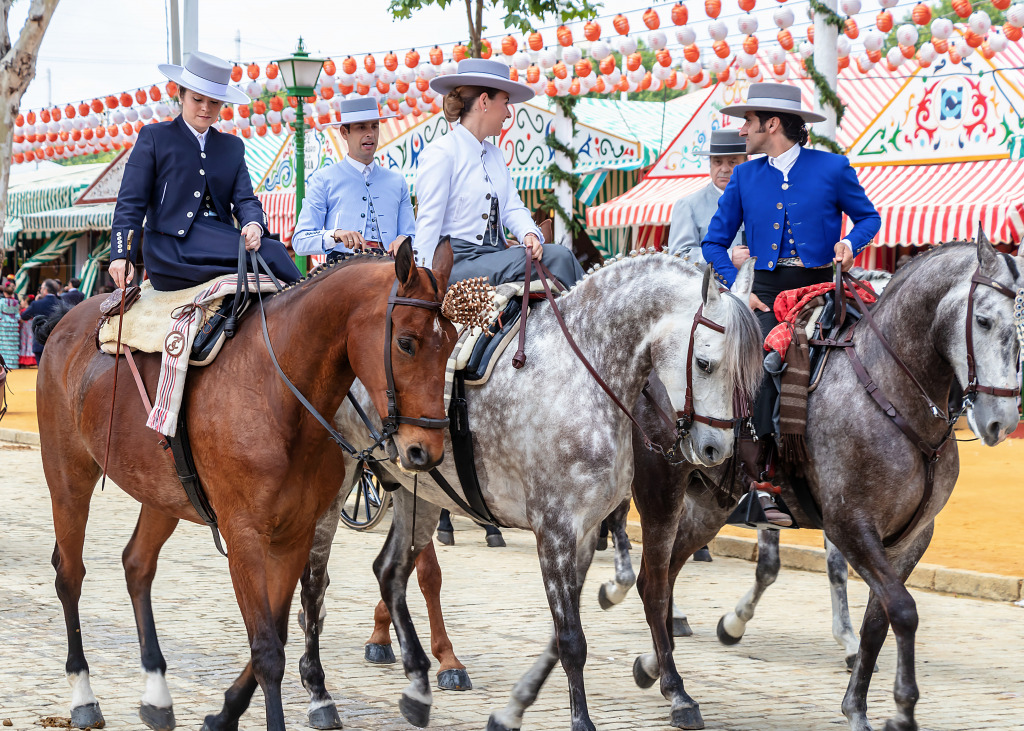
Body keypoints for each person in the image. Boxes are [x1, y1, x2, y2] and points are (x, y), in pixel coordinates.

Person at [702, 83, 881, 527]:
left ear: (773, 124)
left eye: (747, 121)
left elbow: (870, 217)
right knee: (756, 367)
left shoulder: (833, 168)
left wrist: (849, 242)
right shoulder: (746, 177)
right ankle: (763, 479)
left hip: (823, 290)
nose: (741, 130)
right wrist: (740, 291)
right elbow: (713, 244)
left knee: (873, 358)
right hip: (763, 297)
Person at [109, 52, 300, 292]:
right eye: (197, 99)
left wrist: (253, 224)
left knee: (270, 249)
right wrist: (120, 254)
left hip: (220, 240)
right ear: (181, 94)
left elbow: (245, 199)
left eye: (214, 102)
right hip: (170, 250)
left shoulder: (231, 146)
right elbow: (131, 201)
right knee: (274, 251)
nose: (205, 108)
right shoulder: (155, 137)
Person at [415, 59, 584, 288]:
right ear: (484, 101)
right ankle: (596, 318)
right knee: (559, 256)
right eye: (505, 103)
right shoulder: (442, 153)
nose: (508, 113)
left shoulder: (494, 155)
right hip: (456, 264)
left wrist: (528, 234)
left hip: (494, 258)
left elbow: (512, 207)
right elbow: (428, 223)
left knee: (553, 254)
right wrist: (421, 282)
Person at [293, 98, 415, 258]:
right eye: (361, 127)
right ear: (344, 132)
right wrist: (335, 235)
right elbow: (300, 241)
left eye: (374, 126)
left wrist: (403, 239)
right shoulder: (323, 179)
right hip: (342, 272)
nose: (370, 133)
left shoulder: (397, 181)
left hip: (390, 270)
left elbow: (412, 235)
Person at [667, 129, 748, 269]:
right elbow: (678, 256)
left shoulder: (759, 200)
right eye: (717, 162)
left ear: (746, 164)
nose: (724, 169)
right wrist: (728, 257)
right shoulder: (688, 205)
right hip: (712, 288)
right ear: (710, 165)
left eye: (732, 162)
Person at [20, 279, 62, 364]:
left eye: (42, 288)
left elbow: (24, 316)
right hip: (58, 342)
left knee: (42, 371)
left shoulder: (36, 304)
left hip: (40, 341)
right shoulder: (61, 303)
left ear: (45, 290)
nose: (40, 290)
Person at [0, 281, 20, 369]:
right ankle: (13, 363)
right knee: (12, 343)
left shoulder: (2, 301)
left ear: (4, 293)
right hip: (13, 324)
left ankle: (4, 363)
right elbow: (17, 314)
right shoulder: (16, 302)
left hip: (4, 323)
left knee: (4, 343)